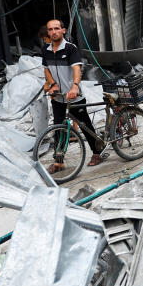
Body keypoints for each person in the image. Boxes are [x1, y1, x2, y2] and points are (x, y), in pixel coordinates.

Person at [41, 18, 104, 172]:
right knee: (59, 128)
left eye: (57, 28)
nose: (54, 32)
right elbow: (46, 69)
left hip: (74, 96)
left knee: (85, 125)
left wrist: (75, 86)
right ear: (48, 33)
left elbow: (76, 69)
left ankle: (97, 153)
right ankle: (59, 162)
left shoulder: (70, 48)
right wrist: (52, 84)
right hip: (58, 97)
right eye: (50, 29)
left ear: (63, 30)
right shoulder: (46, 50)